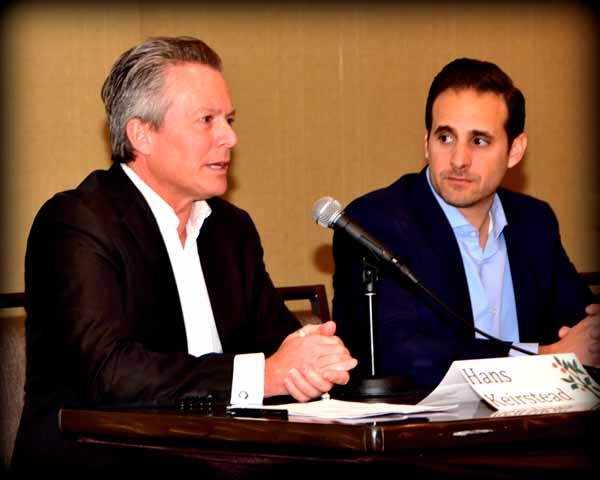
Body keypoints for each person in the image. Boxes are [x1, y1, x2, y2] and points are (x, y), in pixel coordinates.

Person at [11, 36, 357, 471]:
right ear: (142, 134)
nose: (229, 137)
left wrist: (312, 357)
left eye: (229, 119)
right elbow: (109, 372)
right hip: (104, 464)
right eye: (207, 120)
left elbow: (277, 343)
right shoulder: (77, 222)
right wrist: (264, 375)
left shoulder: (230, 229)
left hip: (223, 461)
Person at [331, 57, 599, 392]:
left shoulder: (534, 222)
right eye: (445, 138)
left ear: (515, 150)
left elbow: (579, 324)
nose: (459, 160)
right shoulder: (375, 222)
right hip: (422, 422)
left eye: (479, 141)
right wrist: (544, 359)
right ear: (426, 142)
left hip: (536, 419)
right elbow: (404, 356)